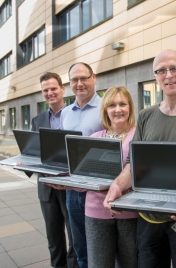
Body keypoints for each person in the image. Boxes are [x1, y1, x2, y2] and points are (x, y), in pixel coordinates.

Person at [104, 50, 176, 268]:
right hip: (149, 219)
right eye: (162, 71)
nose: (169, 75)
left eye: (175, 68)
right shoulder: (146, 116)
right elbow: (133, 163)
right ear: (156, 77)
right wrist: (117, 185)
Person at [85, 86, 138, 268]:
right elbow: (85, 176)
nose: (118, 110)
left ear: (130, 107)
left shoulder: (139, 136)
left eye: (123, 104)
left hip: (129, 212)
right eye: (112, 105)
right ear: (105, 109)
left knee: (129, 264)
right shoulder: (94, 138)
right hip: (95, 210)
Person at [31, 72, 77, 268]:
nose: (50, 93)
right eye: (45, 90)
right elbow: (34, 151)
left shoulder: (75, 114)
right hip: (47, 187)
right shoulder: (37, 120)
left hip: (70, 186)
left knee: (74, 236)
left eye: (53, 88)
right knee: (53, 238)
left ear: (62, 89)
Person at [60, 62, 103, 268]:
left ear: (93, 77)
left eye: (83, 78)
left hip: (98, 189)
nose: (79, 84)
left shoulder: (107, 107)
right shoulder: (65, 113)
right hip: (72, 188)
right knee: (80, 245)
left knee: (101, 245)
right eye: (74, 80)